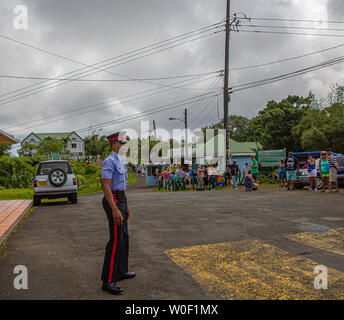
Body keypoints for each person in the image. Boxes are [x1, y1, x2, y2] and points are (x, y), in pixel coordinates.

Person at [101, 131, 135, 295]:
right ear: (114, 145)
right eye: (122, 144)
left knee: (124, 237)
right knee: (115, 240)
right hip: (113, 199)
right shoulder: (109, 161)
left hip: (121, 199)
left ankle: (121, 271)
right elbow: (106, 186)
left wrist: (125, 206)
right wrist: (115, 209)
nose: (124, 146)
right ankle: (108, 281)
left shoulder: (121, 161)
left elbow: (122, 186)